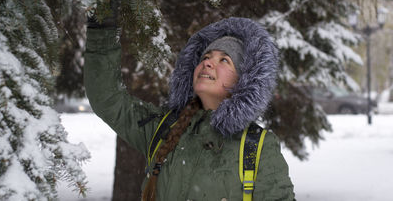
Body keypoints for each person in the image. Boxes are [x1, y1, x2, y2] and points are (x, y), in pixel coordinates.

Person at [84, 17, 295, 201]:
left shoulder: (257, 148)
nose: (208, 64)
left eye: (224, 60)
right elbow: (107, 99)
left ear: (243, 81)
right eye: (205, 57)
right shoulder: (163, 128)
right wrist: (102, 27)